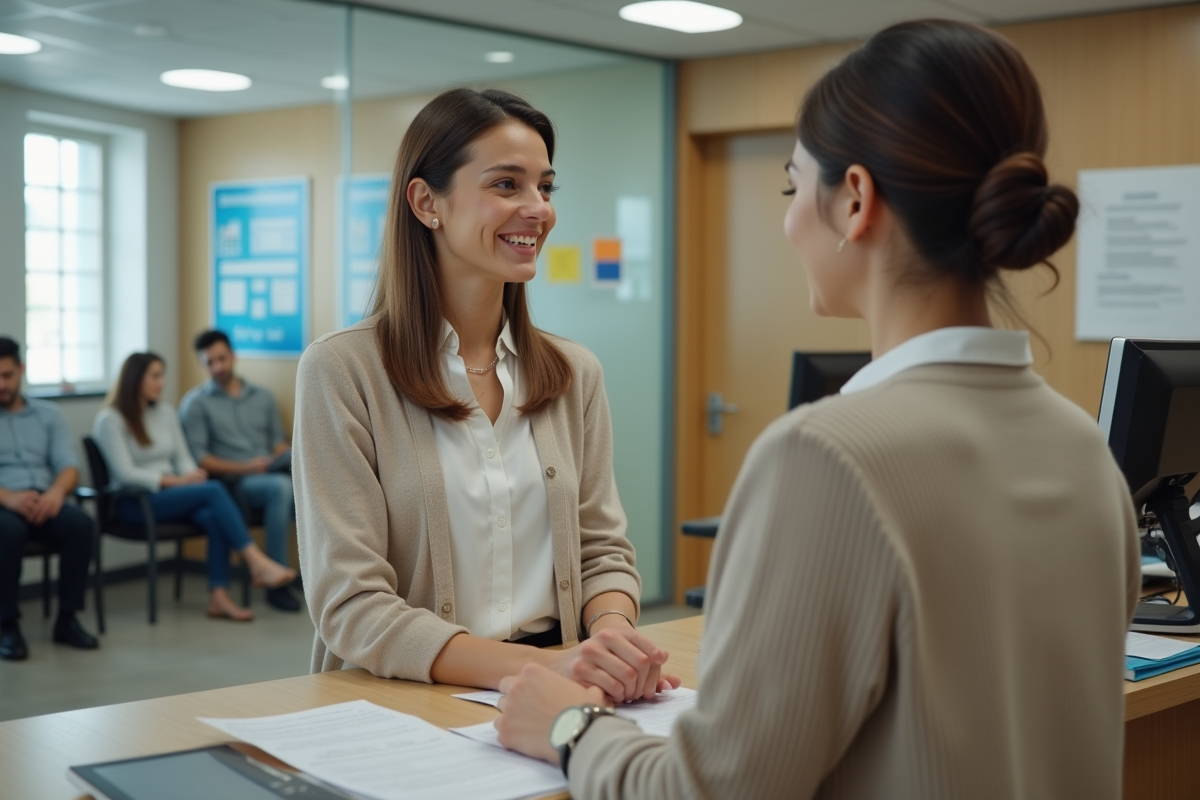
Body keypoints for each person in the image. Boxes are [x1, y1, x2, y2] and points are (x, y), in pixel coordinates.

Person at [494, 20, 1140, 799]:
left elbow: (712, 791)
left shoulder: (827, 456)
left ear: (856, 200)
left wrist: (569, 727)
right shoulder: (1081, 446)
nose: (791, 217)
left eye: (794, 186)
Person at [294, 88, 678, 702]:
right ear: (426, 203)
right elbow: (351, 604)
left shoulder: (573, 372)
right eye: (507, 185)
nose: (539, 210)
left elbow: (602, 550)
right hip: (408, 694)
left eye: (546, 188)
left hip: (558, 677)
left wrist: (608, 641)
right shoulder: (342, 370)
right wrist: (535, 672)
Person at [92, 352, 296, 621]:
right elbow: (126, 473)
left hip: (172, 496)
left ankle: (218, 598)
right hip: (134, 502)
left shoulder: (165, 412)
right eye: (154, 376)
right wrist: (177, 481)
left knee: (213, 516)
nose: (161, 382)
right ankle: (256, 562)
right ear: (135, 379)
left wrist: (192, 475)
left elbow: (183, 458)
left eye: (161, 375)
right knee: (214, 491)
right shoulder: (111, 420)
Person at [180, 329, 299, 612]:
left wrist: (280, 453)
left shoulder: (263, 397)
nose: (218, 367)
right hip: (236, 481)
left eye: (222, 359)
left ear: (233, 356)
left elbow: (278, 442)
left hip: (270, 466)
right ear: (202, 364)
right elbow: (201, 459)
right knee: (281, 488)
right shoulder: (195, 404)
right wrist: (246, 467)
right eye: (210, 362)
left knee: (309, 458)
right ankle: (276, 582)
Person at [0, 337, 99, 660]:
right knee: (8, 532)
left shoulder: (48, 414)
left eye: (6, 376)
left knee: (80, 524)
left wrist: (56, 494)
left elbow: (69, 466)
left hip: (45, 498)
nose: (0, 384)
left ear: (21, 371)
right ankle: (7, 625)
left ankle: (67, 619)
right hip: (4, 503)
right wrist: (9, 498)